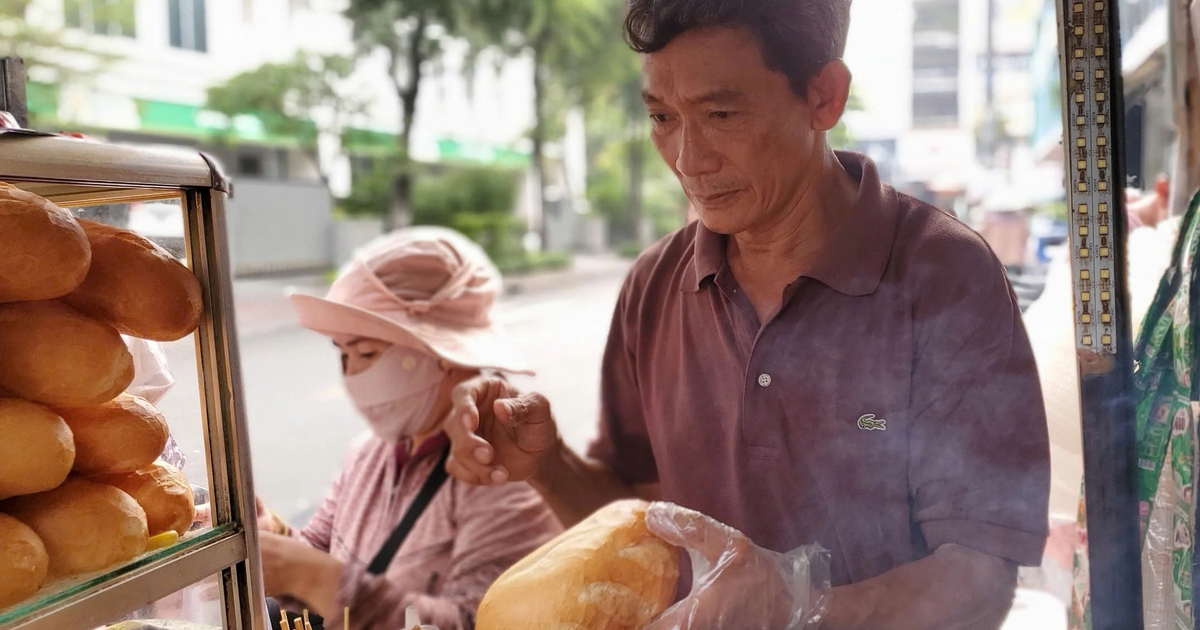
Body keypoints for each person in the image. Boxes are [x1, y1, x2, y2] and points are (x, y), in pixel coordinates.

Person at [440, 1, 1050, 629]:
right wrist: (548, 464)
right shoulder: (655, 285)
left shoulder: (945, 275)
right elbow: (640, 531)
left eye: (721, 114)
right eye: (662, 117)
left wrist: (800, 607)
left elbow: (981, 574)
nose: (688, 159)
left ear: (824, 97)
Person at [254, 227, 562, 630]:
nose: (351, 373)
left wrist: (316, 579)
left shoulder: (504, 477)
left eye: (366, 353)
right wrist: (275, 535)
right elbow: (319, 552)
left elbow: (474, 621)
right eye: (344, 355)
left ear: (445, 355)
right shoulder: (369, 451)